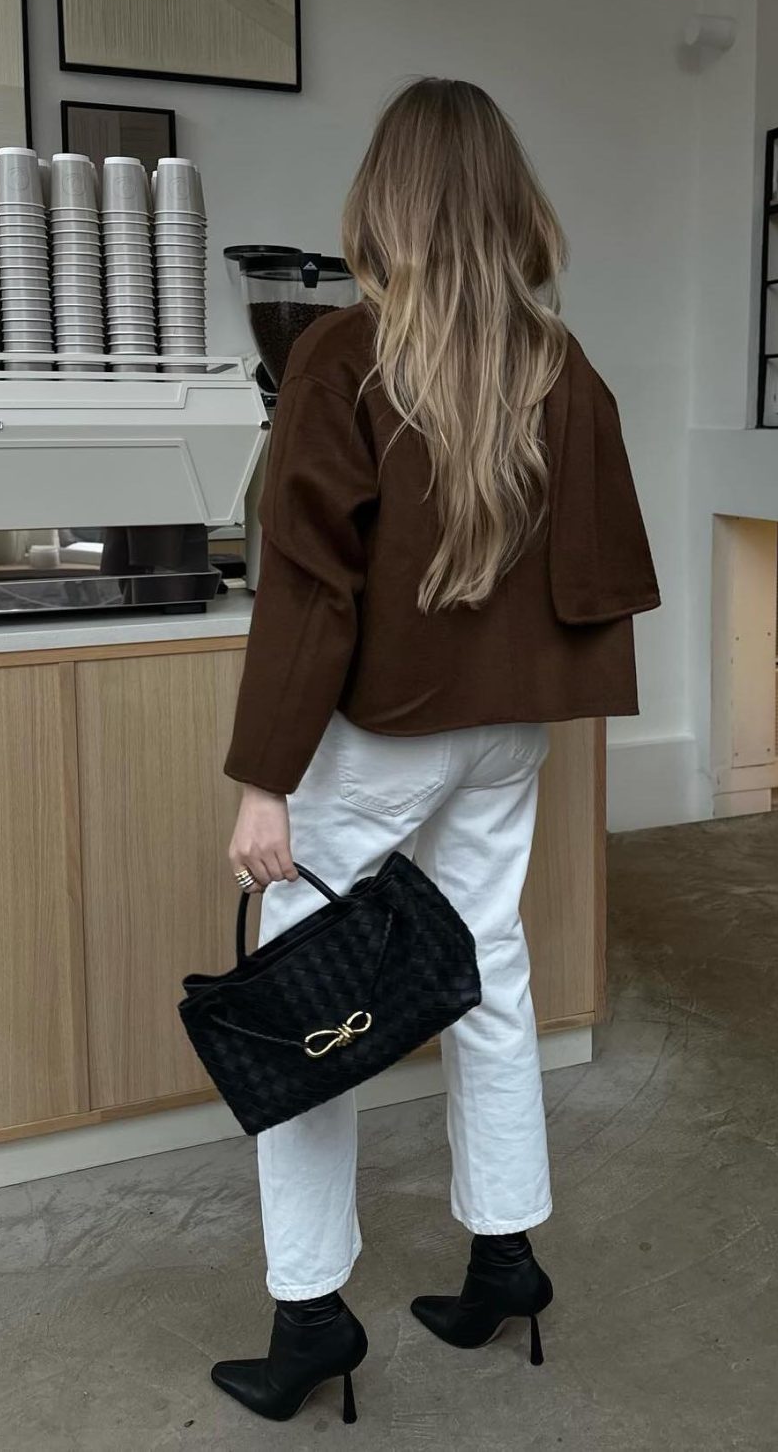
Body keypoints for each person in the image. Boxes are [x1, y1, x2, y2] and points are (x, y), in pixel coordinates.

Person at [213, 77, 659, 1424]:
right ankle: (505, 1257)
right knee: (491, 971)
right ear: (507, 205)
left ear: (383, 202)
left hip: (381, 733)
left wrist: (263, 781)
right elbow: (601, 567)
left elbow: (307, 590)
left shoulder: (341, 358)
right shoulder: (560, 364)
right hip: (503, 731)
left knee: (298, 998)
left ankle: (308, 1320)